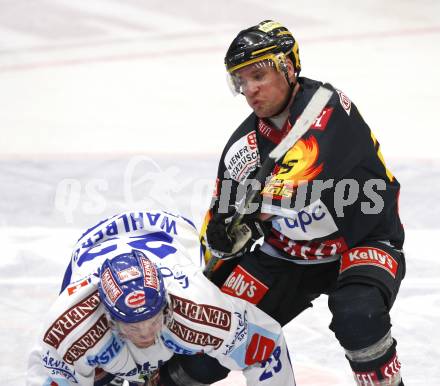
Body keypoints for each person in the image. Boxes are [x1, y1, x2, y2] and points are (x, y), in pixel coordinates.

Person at [201, 20, 406, 386]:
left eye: (258, 75)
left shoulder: (328, 107)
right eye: (241, 81)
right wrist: (219, 246)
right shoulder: (243, 148)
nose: (250, 90)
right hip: (289, 255)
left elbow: (302, 174)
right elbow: (219, 220)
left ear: (289, 66)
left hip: (361, 242)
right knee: (210, 340)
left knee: (358, 315)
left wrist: (252, 209)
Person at [26, 210, 295, 386]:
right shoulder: (71, 327)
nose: (145, 333)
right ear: (107, 317)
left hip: (172, 232)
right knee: (95, 373)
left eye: (152, 321)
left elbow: (266, 348)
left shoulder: (199, 307)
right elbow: (48, 373)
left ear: (167, 305)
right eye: (134, 326)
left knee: (201, 368)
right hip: (91, 245)